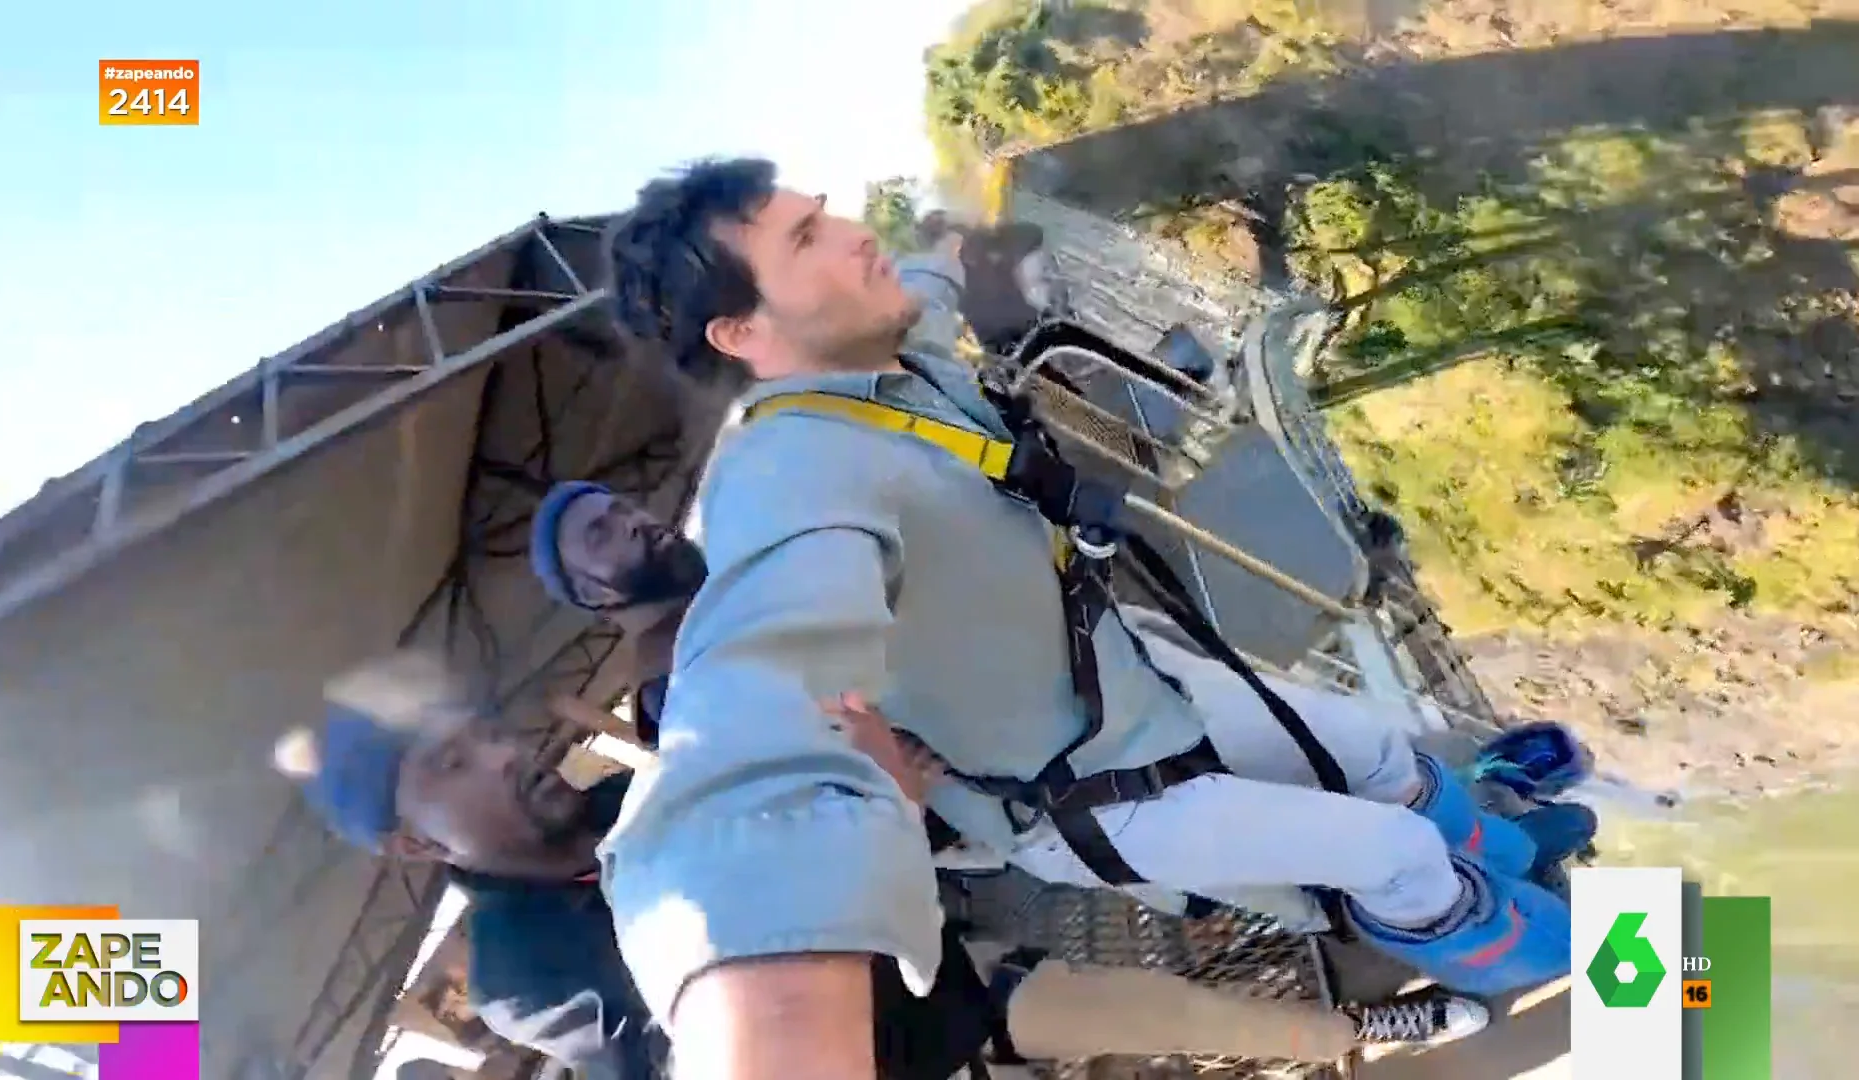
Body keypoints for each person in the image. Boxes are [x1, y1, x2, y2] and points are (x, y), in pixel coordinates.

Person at [594, 156, 1574, 1079]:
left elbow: (928, 294)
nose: (852, 232)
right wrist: (748, 948)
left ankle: (1506, 853)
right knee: (1389, 850)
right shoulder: (781, 475)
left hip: (1138, 676)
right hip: (1091, 796)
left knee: (1376, 753)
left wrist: (940, 247)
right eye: (806, 238)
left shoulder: (895, 370)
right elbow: (747, 690)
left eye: (826, 210)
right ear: (737, 331)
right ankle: (1525, 944)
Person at [279, 654, 1489, 1080]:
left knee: (1191, 1011)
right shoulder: (521, 971)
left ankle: (1368, 1031)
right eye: (454, 763)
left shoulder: (624, 805)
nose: (504, 754)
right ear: (415, 843)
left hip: (952, 990)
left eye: (485, 732)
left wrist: (867, 788)